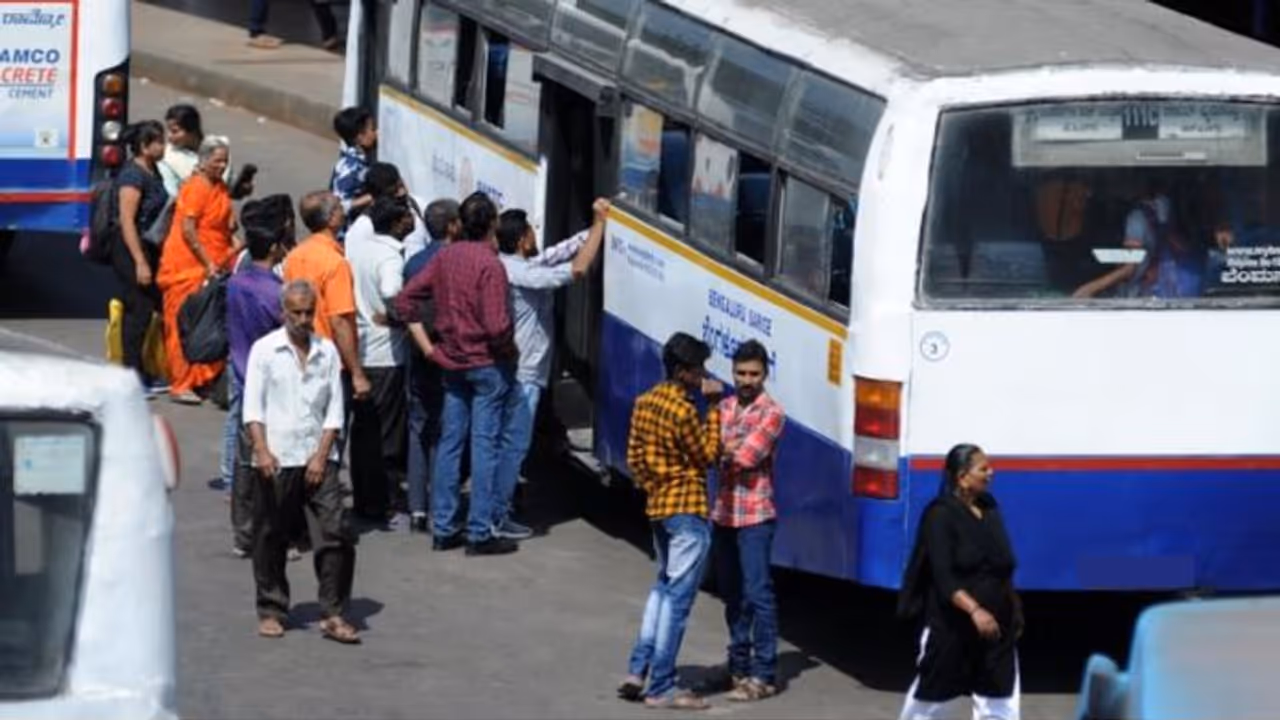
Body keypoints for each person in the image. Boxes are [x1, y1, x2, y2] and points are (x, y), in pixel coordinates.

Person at [393, 191, 519, 557]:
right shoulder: (490, 266)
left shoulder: (446, 257)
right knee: (484, 445)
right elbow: (497, 326)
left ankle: (444, 527)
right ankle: (480, 531)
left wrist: (430, 348)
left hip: (452, 362)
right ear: (492, 224)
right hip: (486, 363)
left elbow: (405, 302)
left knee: (450, 443)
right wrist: (508, 351)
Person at [242, 280, 360, 644]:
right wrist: (261, 450)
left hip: (317, 458)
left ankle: (334, 613)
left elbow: (334, 413)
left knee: (335, 534)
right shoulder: (265, 351)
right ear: (284, 312)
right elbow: (252, 409)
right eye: (297, 312)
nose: (304, 318)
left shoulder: (328, 352)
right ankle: (272, 609)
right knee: (270, 536)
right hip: (276, 459)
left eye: (309, 312)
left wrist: (322, 455)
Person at [618, 332, 723, 711]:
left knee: (661, 589)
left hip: (658, 508)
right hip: (687, 510)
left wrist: (655, 487)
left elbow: (634, 459)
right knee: (678, 601)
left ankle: (638, 668)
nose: (703, 376)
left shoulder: (644, 402)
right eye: (698, 370)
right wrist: (712, 409)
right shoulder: (683, 410)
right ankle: (660, 685)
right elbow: (708, 455)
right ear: (683, 372)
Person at [492, 199, 609, 540]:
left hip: (522, 372)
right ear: (521, 240)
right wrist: (600, 227)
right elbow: (575, 270)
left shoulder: (514, 264)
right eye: (530, 233)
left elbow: (558, 252)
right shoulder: (523, 273)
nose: (535, 237)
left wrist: (596, 227)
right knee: (513, 447)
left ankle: (499, 508)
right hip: (523, 375)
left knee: (509, 444)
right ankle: (498, 515)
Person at [897, 444, 1023, 720]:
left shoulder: (989, 508)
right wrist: (975, 611)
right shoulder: (940, 515)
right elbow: (944, 577)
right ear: (963, 477)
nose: (991, 473)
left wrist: (1013, 607)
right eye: (983, 468)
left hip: (997, 625)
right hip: (952, 625)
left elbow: (1001, 565)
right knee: (933, 700)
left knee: (999, 702)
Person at [710, 339, 786, 702]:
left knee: (758, 594)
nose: (747, 379)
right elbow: (711, 447)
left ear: (765, 374)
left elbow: (745, 457)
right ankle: (738, 665)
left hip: (755, 514)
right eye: (741, 373)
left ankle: (765, 672)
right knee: (732, 594)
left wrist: (720, 449)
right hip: (724, 512)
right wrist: (721, 449)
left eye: (754, 374)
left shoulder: (772, 413)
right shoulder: (724, 407)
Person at [224, 197, 294, 556]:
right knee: (276, 461)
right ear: (273, 248)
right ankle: (276, 531)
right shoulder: (275, 293)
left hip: (242, 376)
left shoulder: (237, 284)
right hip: (274, 386)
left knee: (245, 463)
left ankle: (244, 534)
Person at [157, 136, 241, 405]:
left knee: (208, 325)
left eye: (225, 161)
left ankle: (200, 379)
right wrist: (207, 263)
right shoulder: (196, 188)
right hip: (186, 268)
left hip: (214, 265)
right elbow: (188, 230)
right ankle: (181, 384)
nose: (222, 166)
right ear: (203, 162)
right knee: (182, 324)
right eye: (217, 161)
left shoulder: (218, 187)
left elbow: (226, 224)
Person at [345, 196, 413, 525]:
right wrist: (402, 319)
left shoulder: (358, 249)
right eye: (408, 218)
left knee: (363, 431)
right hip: (385, 353)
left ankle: (364, 498)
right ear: (399, 223)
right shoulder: (390, 257)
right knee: (386, 434)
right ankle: (383, 502)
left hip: (360, 349)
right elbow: (391, 292)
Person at [403, 198, 460, 534]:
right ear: (453, 225)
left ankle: (417, 510)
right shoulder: (457, 263)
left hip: (419, 354)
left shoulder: (414, 263)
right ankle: (441, 508)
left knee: (418, 428)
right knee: (444, 432)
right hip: (449, 355)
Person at [283, 191, 371, 406]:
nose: (344, 212)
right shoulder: (335, 263)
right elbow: (339, 321)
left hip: (297, 353)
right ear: (331, 218)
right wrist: (357, 373)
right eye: (340, 208)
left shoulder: (295, 255)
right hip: (327, 361)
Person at [109, 120, 170, 395]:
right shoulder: (133, 176)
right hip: (131, 249)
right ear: (145, 147)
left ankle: (142, 369)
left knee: (147, 309)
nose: (164, 145)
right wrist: (140, 262)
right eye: (159, 141)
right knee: (138, 310)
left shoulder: (152, 170)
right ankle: (131, 375)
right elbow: (127, 221)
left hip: (148, 248)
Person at [347, 162, 430, 258]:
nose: (402, 193)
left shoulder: (418, 205)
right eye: (394, 192)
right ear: (375, 197)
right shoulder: (362, 228)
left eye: (401, 186)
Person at [158, 105, 242, 198]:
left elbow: (228, 186)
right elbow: (171, 195)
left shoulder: (219, 148)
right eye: (168, 131)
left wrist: (240, 188)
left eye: (174, 131)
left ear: (192, 130)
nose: (169, 136)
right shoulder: (167, 158)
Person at [330, 107, 377, 221]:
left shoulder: (358, 160)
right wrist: (373, 197)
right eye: (373, 129)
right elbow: (339, 206)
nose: (377, 133)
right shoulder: (351, 167)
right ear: (360, 138)